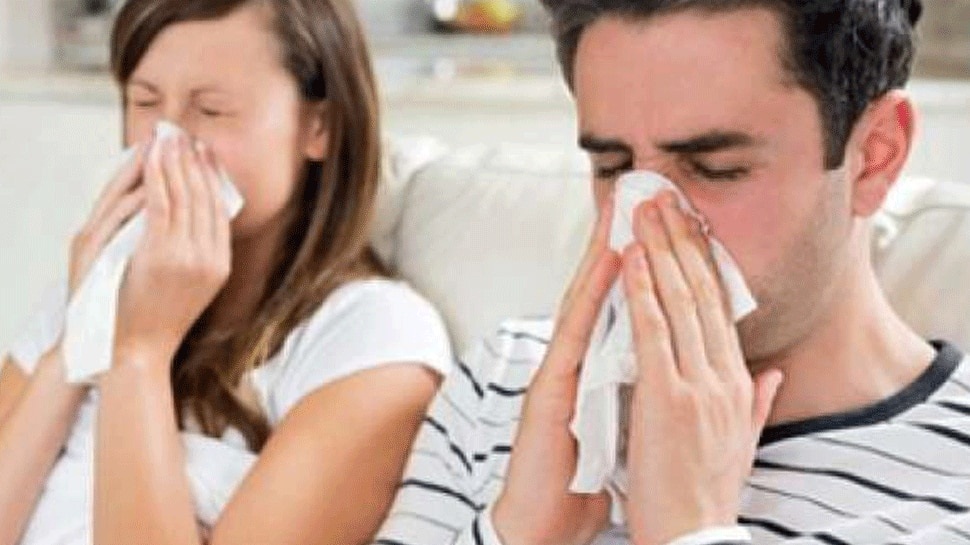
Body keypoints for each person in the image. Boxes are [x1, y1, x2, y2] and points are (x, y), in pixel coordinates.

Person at [374, 1, 970, 544]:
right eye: (613, 167)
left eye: (716, 169)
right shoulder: (505, 382)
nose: (643, 220)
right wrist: (516, 534)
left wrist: (692, 530)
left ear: (875, 157)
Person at [0, 1, 452, 544]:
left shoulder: (373, 336)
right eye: (145, 102)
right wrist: (82, 327)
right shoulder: (94, 289)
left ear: (320, 125)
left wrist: (139, 354)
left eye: (211, 110)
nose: (166, 142)